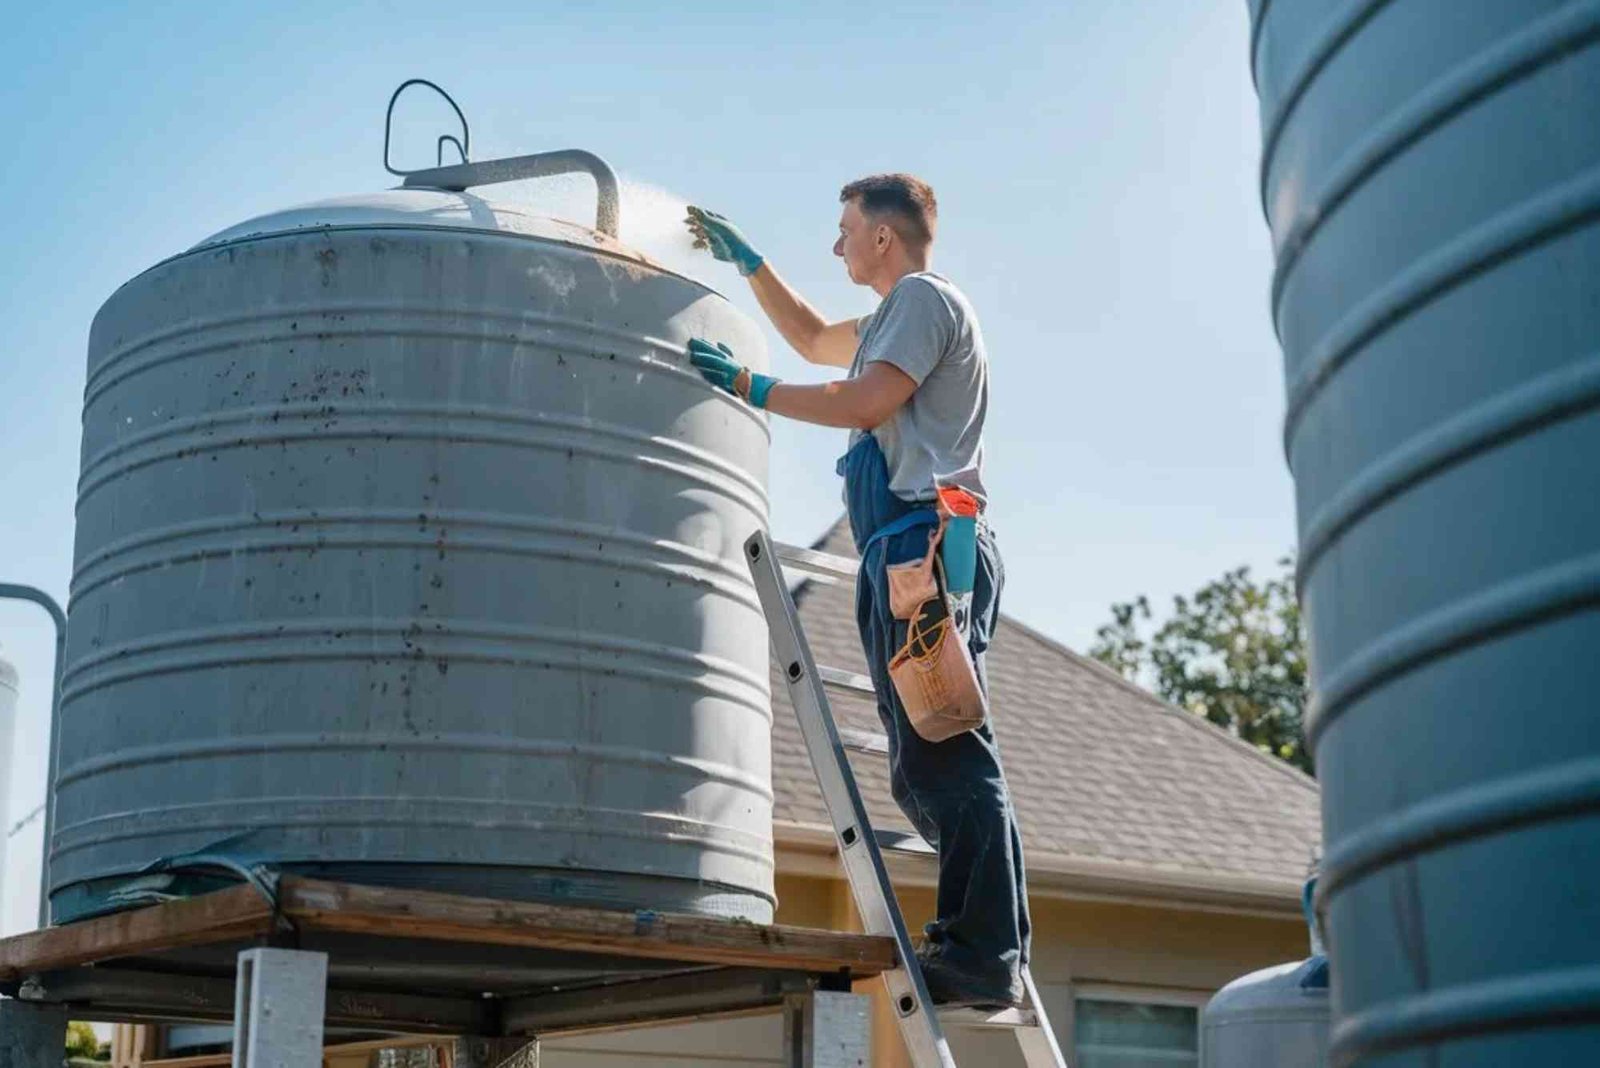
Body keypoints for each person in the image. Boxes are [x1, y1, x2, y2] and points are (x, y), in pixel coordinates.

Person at [683, 175, 1030, 1009]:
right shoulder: (889, 321)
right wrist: (751, 262)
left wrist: (746, 389)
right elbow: (809, 340)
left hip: (924, 543)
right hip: (904, 549)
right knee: (921, 767)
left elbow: (862, 401)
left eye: (845, 230)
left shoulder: (920, 298)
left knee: (944, 753)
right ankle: (989, 944)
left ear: (884, 237)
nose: (836, 245)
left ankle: (982, 955)